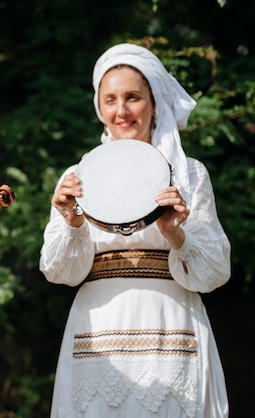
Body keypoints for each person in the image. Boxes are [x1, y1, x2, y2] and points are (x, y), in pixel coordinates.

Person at [40, 43, 231, 418]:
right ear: (99, 108)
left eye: (133, 98)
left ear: (155, 103)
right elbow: (58, 271)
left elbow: (215, 273)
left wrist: (177, 234)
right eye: (110, 99)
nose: (121, 111)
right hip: (98, 329)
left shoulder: (189, 174)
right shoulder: (77, 177)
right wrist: (73, 222)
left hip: (170, 324)